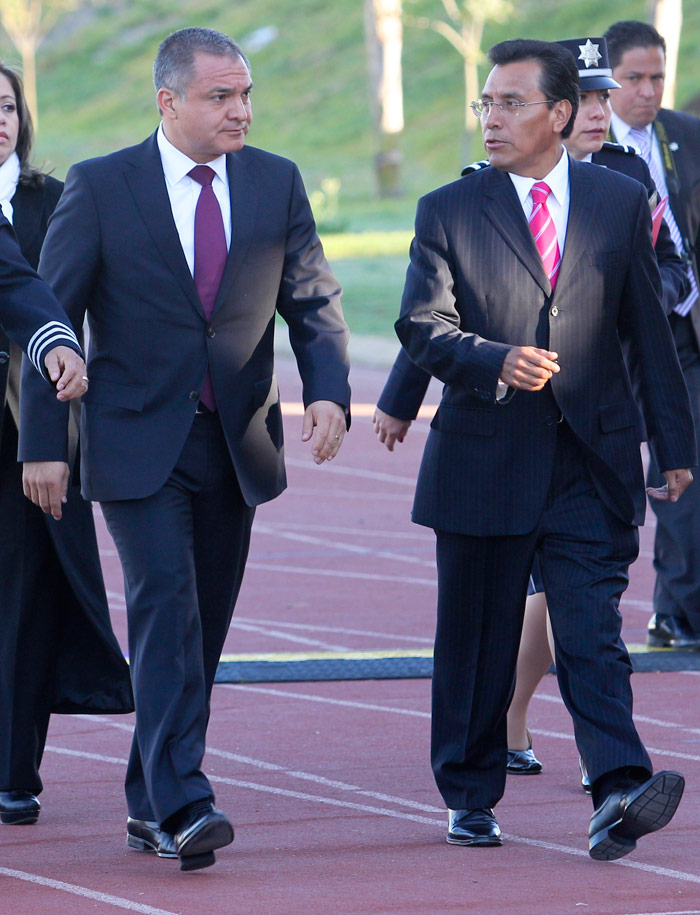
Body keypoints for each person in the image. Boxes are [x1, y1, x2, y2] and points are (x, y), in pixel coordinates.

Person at [20, 27, 350, 871]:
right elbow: (46, 319)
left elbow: (311, 298)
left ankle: (147, 798)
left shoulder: (275, 180)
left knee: (200, 631)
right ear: (168, 102)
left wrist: (328, 391)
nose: (240, 110)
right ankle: (185, 799)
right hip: (134, 443)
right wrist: (43, 445)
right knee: (166, 608)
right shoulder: (100, 186)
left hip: (237, 443)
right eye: (219, 96)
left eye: (245, 95)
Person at [394, 37, 695, 861]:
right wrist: (496, 360)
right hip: (485, 458)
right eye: (486, 104)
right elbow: (421, 326)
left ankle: (620, 786)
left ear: (561, 115)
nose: (491, 118)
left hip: (590, 459)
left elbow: (647, 334)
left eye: (510, 103)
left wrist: (673, 443)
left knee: (592, 628)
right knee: (479, 639)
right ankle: (468, 789)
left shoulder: (614, 201)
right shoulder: (449, 208)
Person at [0, 63, 133, 828]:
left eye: (9, 105)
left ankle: (15, 771)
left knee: (26, 603)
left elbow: (59, 306)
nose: (1, 119)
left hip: (35, 430)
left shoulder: (55, 202)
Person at [603, 21, 700, 651]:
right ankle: (566, 619)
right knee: (603, 482)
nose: (647, 90)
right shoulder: (580, 144)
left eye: (657, 77)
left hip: (682, 330)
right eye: (633, 78)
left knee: (684, 469)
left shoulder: (686, 136)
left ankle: (679, 613)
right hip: (608, 341)